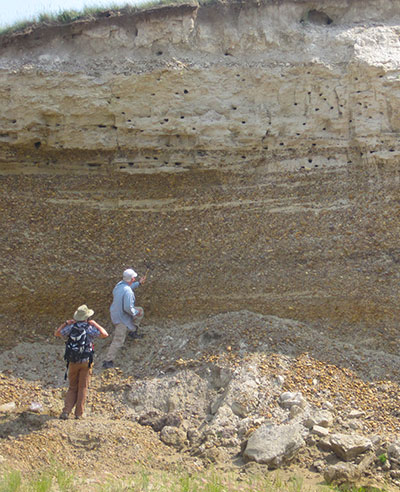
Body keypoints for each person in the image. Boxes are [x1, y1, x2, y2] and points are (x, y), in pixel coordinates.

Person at [55, 304, 108, 420]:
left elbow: (57, 333)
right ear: (87, 317)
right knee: (83, 387)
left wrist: (65, 323)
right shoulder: (89, 328)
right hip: (86, 361)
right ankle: (79, 414)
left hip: (73, 361)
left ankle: (66, 411)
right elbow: (105, 334)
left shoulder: (71, 328)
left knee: (72, 387)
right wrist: (95, 324)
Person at [102, 268, 146, 369]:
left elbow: (128, 288)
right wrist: (136, 312)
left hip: (115, 312)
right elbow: (128, 308)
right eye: (134, 278)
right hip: (121, 318)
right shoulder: (128, 292)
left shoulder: (119, 285)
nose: (134, 279)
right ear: (131, 279)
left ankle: (133, 331)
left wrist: (139, 283)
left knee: (140, 310)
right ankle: (108, 361)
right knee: (118, 340)